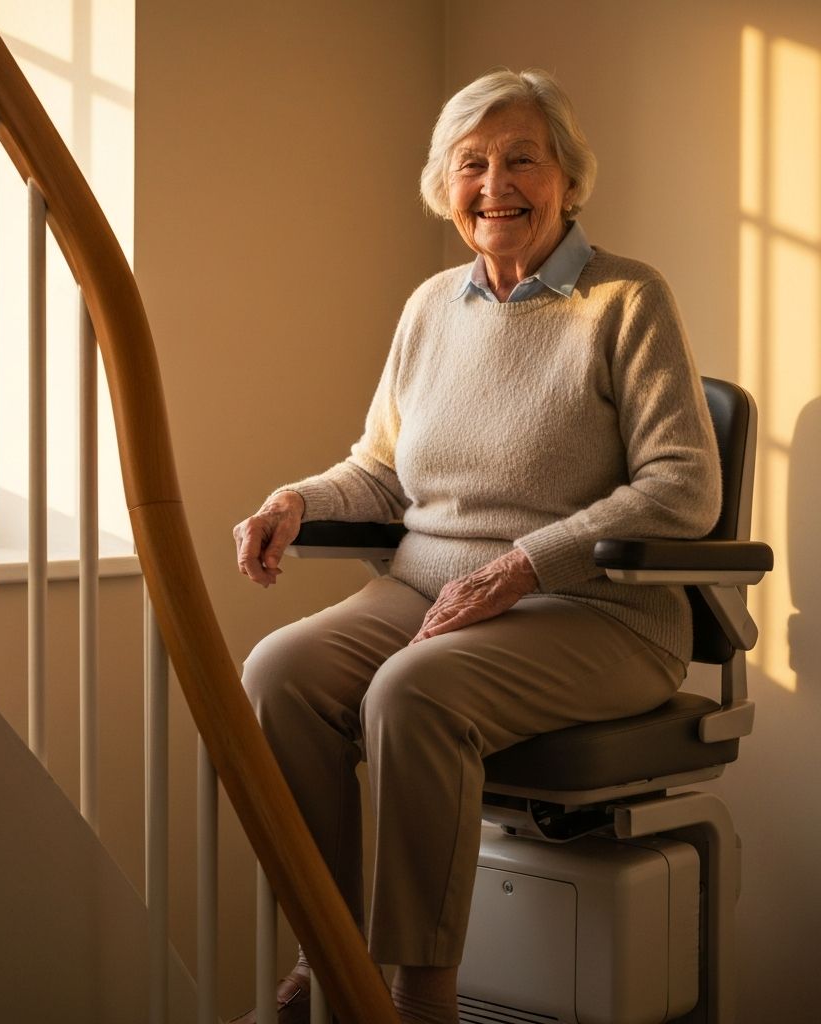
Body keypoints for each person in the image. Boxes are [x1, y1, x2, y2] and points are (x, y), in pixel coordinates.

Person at [231, 67, 721, 1024]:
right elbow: (380, 469)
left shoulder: (625, 302)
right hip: (429, 594)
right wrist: (296, 498)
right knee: (276, 671)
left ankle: (420, 999)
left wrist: (526, 565)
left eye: (522, 160)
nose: (495, 184)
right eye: (472, 164)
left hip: (596, 612)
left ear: (569, 181)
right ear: (444, 187)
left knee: (413, 692)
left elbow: (683, 485)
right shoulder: (428, 308)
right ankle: (331, 965)